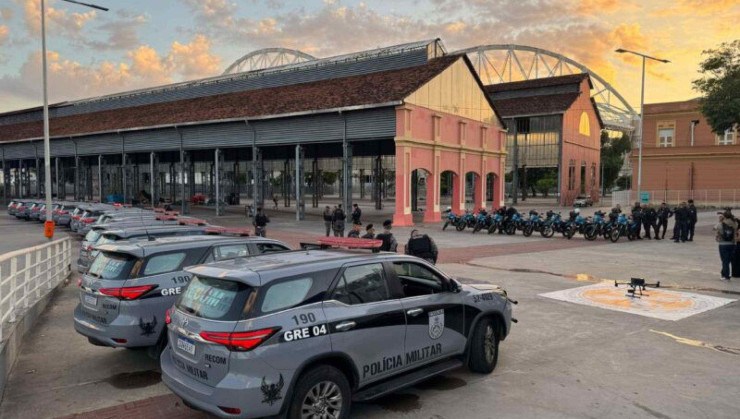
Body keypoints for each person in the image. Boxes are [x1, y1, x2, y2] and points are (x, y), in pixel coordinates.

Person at [714, 211, 737, 281]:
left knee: (724, 260)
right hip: (732, 244)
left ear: (724, 216)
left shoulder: (721, 224)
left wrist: (720, 221)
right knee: (728, 260)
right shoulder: (734, 223)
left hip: (723, 244)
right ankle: (723, 273)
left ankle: (726, 276)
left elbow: (714, 229)